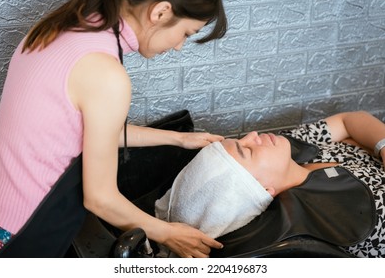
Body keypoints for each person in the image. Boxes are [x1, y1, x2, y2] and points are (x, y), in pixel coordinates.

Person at [0, 0, 228, 258]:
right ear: (161, 11)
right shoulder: (104, 72)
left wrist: (178, 138)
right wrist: (168, 233)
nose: (178, 46)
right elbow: (99, 198)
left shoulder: (58, 28)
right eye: (185, 33)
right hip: (19, 233)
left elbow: (83, 131)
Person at [156, 110, 385, 257]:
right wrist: (366, 142)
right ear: (263, 191)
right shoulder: (359, 215)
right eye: (246, 150)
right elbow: (350, 127)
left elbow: (351, 119)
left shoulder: (286, 152)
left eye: (240, 141)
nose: (253, 135)